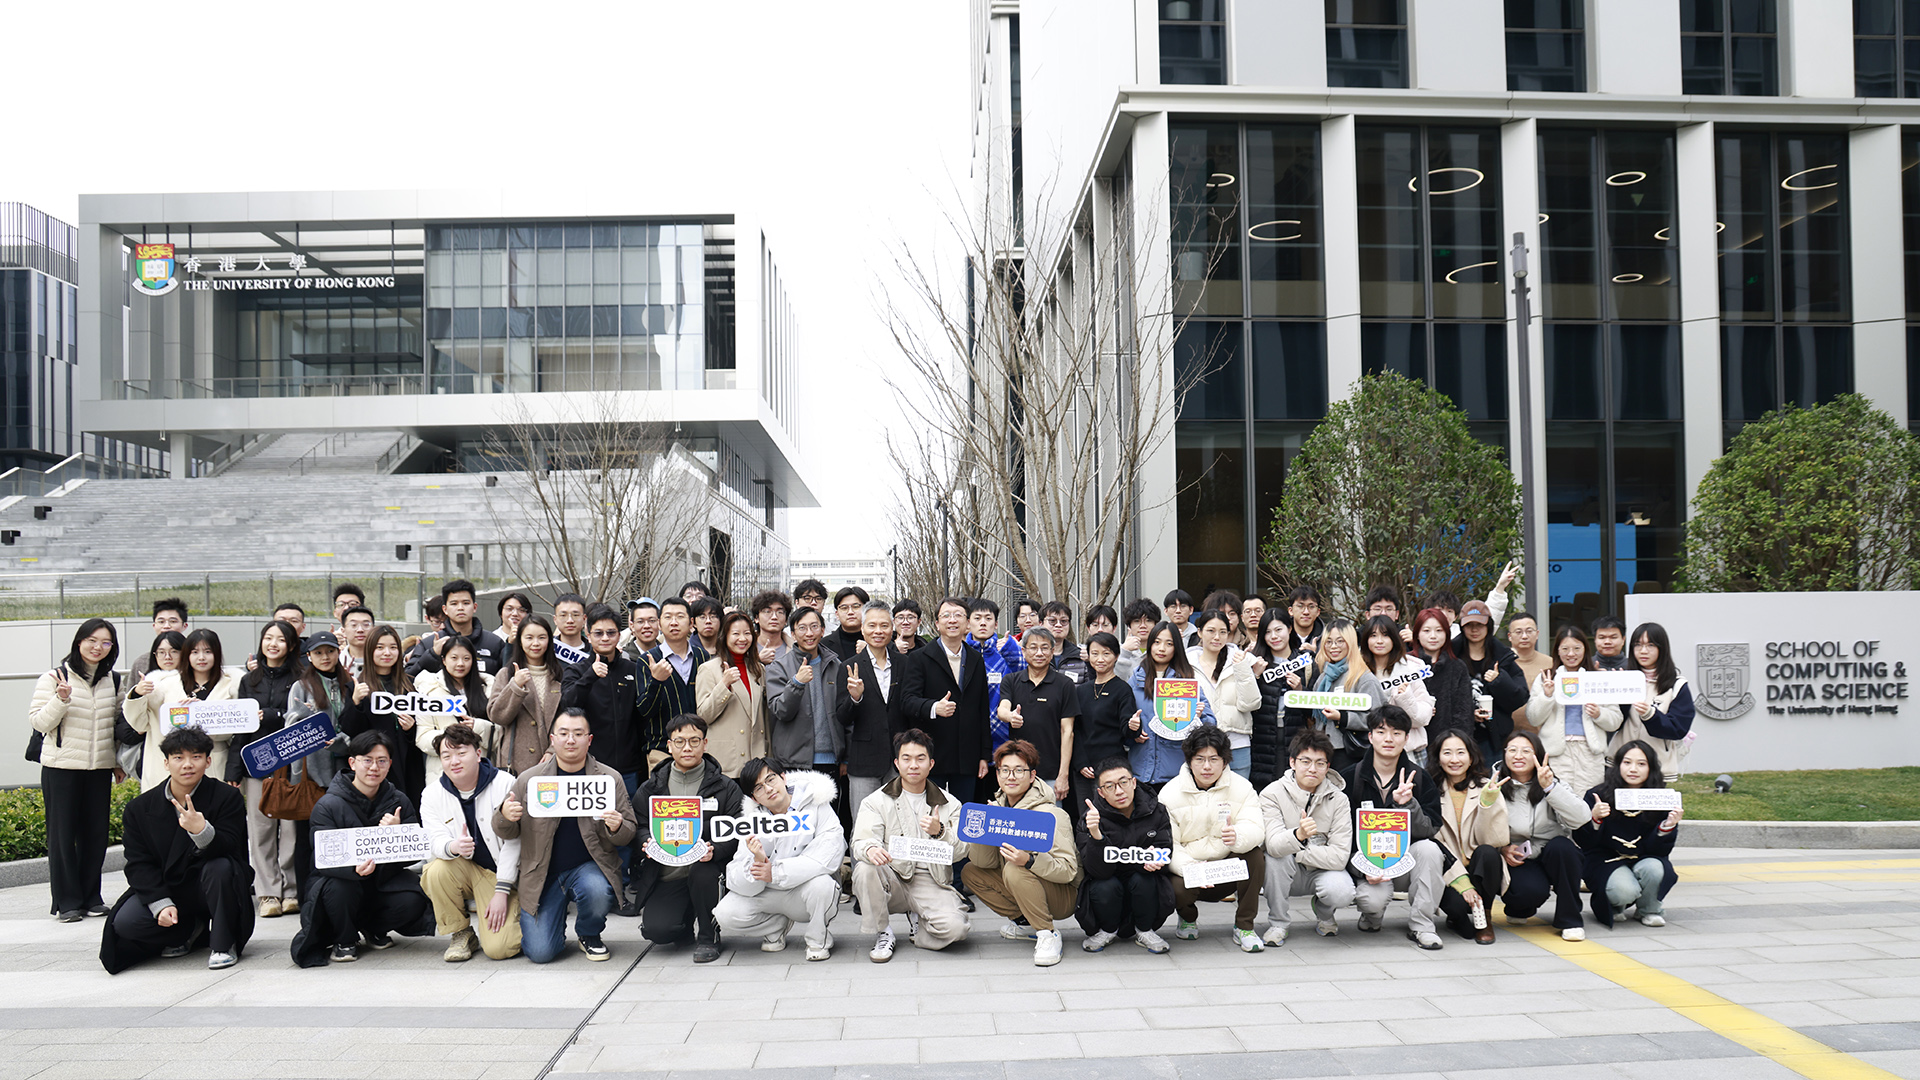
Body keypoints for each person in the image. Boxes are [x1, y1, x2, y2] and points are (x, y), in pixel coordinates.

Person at [99, 726, 254, 973]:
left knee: (221, 867)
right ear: (166, 763)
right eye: (178, 758)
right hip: (168, 886)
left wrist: (201, 831)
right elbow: (139, 864)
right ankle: (188, 931)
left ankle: (224, 944)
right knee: (126, 923)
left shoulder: (227, 797)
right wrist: (160, 903)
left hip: (211, 884)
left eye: (196, 757)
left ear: (208, 761)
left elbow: (233, 851)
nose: (187, 765)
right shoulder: (140, 808)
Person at [494, 709, 638, 963]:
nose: (570, 740)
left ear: (589, 739)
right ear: (552, 739)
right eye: (564, 733)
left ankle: (588, 933)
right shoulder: (530, 779)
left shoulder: (609, 778)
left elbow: (628, 834)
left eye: (578, 734)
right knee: (540, 953)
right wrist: (505, 815)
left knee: (597, 890)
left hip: (589, 868)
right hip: (542, 874)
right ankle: (551, 922)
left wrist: (616, 826)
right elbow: (503, 830)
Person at [290, 731, 436, 966]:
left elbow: (412, 855)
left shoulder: (399, 800)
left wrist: (397, 833)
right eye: (367, 760)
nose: (374, 767)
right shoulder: (328, 804)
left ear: (390, 764)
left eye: (381, 761)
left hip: (382, 882)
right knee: (339, 888)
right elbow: (322, 857)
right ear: (352, 762)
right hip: (342, 883)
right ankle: (344, 939)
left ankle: (374, 928)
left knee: (414, 898)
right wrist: (353, 869)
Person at [849, 729, 970, 962]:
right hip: (892, 876)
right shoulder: (875, 801)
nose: (913, 765)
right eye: (906, 758)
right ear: (896, 763)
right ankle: (883, 932)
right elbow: (862, 840)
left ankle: (920, 925)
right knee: (864, 869)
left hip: (930, 880)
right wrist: (871, 849)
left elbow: (962, 851)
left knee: (957, 931)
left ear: (931, 763)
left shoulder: (949, 803)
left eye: (920, 758)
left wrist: (941, 832)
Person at [631, 715, 743, 962]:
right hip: (669, 872)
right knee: (658, 931)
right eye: (679, 741)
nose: (687, 748)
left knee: (703, 873)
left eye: (694, 740)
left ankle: (708, 936)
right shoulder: (651, 788)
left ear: (705, 743)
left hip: (708, 870)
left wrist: (717, 850)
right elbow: (638, 825)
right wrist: (646, 842)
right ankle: (681, 925)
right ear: (669, 746)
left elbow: (738, 830)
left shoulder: (725, 787)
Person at [32, 619, 123, 922]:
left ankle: (91, 897)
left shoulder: (114, 680)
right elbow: (39, 723)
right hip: (62, 767)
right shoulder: (54, 677)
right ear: (79, 641)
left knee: (95, 835)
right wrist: (61, 699)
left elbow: (114, 726)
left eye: (106, 642)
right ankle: (67, 901)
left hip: (98, 768)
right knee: (62, 835)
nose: (98, 647)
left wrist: (115, 762)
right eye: (92, 640)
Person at [961, 739, 1081, 966]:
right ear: (997, 776)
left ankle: (1048, 933)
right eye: (1004, 770)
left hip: (1063, 894)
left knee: (1015, 869)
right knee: (971, 871)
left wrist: (1029, 860)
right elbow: (983, 863)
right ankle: (1026, 925)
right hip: (1025, 884)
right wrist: (986, 830)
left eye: (1019, 770)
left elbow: (1069, 871)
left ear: (1032, 775)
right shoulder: (997, 809)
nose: (1011, 776)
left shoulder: (1051, 814)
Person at [715, 759, 846, 961]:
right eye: (759, 788)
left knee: (824, 886)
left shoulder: (817, 805)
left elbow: (829, 854)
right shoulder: (752, 821)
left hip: (802, 892)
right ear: (754, 798)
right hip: (768, 894)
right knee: (725, 914)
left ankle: (817, 939)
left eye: (771, 779)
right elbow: (735, 874)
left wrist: (774, 873)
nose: (768, 789)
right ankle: (776, 927)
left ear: (783, 777)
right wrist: (757, 865)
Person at [1343, 705, 1447, 950]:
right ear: (1370, 736)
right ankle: (1371, 915)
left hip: (1405, 864)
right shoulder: (1351, 777)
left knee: (1430, 850)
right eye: (1381, 731)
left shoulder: (1420, 778)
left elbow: (1429, 830)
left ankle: (1422, 926)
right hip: (1367, 863)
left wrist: (1408, 804)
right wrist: (1360, 869)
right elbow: (1341, 834)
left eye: (1396, 733)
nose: (1388, 739)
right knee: (1371, 901)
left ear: (1407, 738)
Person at [420, 723, 522, 962]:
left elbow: (515, 841)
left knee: (500, 950)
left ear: (478, 754)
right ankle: (461, 933)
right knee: (435, 871)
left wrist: (502, 890)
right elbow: (434, 840)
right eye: (446, 755)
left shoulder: (505, 783)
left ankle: (523, 918)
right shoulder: (432, 793)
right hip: (464, 870)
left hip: (501, 876)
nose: (453, 760)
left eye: (461, 752)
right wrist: (452, 847)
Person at [1161, 724, 1267, 951]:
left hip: (1226, 868)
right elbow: (1169, 844)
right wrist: (1190, 868)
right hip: (1190, 870)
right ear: (1189, 760)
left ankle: (1245, 926)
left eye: (1214, 759)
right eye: (1199, 759)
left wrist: (1237, 835)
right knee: (1175, 888)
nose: (1207, 766)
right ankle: (1187, 917)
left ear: (1225, 761)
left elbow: (1256, 827)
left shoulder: (1242, 787)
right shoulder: (1169, 793)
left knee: (1255, 855)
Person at [233, 620, 304, 918]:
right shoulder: (249, 680)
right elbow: (240, 725)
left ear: (291, 645)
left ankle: (291, 890)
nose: (273, 644)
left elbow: (304, 716)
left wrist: (273, 715)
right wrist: (233, 771)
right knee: (260, 829)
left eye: (280, 639)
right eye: (268, 638)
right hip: (257, 763)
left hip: (291, 762)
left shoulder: (302, 678)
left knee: (290, 829)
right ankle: (267, 894)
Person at [1258, 729, 1355, 944]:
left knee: (1343, 893)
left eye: (1320, 763)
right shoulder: (1271, 794)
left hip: (1322, 871)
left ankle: (1324, 912)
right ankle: (1278, 923)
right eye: (1305, 761)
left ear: (1328, 767)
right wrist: (1299, 835)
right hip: (1286, 871)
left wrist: (1298, 850)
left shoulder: (1339, 799)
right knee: (1276, 859)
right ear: (1292, 762)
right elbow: (1273, 845)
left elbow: (1340, 857)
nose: (1313, 769)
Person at [1496, 730, 1592, 941]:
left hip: (1551, 853)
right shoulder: (1494, 785)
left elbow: (1582, 817)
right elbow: (1480, 828)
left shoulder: (1552, 782)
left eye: (1526, 751)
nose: (1518, 756)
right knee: (1526, 894)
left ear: (1538, 756)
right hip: (1518, 858)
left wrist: (1550, 788)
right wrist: (1501, 849)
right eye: (1512, 750)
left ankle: (1570, 920)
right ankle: (1520, 908)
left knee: (1564, 848)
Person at [1075, 757, 1176, 953]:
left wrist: (1156, 860)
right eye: (1110, 786)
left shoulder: (1157, 810)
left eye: (1123, 782)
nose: (1119, 791)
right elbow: (1096, 871)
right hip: (1108, 886)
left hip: (1143, 885)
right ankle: (1107, 930)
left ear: (1134, 782)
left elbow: (1165, 850)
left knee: (1145, 879)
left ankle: (1145, 930)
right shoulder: (1090, 817)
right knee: (1105, 885)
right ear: (1101, 793)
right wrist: (1096, 834)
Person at [1577, 739, 1681, 928]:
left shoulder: (1660, 797)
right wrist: (1594, 819)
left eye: (1641, 764)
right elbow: (1584, 842)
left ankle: (1649, 909)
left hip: (1645, 856)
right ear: (1617, 765)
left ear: (1651, 768)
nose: (1633, 769)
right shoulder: (1598, 794)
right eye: (1627, 762)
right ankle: (1615, 903)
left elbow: (1660, 851)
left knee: (1655, 868)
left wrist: (1667, 826)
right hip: (1605, 860)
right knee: (1624, 890)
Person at [898, 597, 992, 802]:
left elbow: (982, 708)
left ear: (968, 624)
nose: (952, 620)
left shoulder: (976, 659)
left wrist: (985, 755)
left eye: (958, 615)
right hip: (931, 753)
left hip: (967, 755)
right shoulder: (920, 658)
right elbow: (906, 701)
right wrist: (933, 707)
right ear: (937, 624)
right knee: (931, 813)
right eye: (946, 616)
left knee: (964, 815)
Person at [284, 631, 354, 907]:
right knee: (307, 840)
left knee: (342, 837)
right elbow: (291, 728)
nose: (325, 657)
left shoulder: (350, 683)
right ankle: (307, 899)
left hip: (345, 771)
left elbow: (356, 723)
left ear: (338, 653)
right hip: (312, 774)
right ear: (309, 656)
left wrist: (341, 742)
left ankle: (340, 897)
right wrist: (306, 717)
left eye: (330, 651)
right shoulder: (300, 686)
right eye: (318, 653)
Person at [125, 627, 237, 792]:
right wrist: (137, 694)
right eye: (194, 652)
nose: (201, 657)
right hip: (165, 770)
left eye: (207, 651)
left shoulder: (231, 685)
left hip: (213, 767)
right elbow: (139, 724)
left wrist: (200, 713)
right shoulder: (162, 685)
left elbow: (235, 730)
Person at [1427, 730, 1509, 944]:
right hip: (1449, 870)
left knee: (1488, 853)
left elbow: (1495, 840)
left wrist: (1487, 804)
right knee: (1457, 909)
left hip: (1479, 866)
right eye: (1447, 753)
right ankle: (1457, 917)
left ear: (1471, 756)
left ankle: (1486, 917)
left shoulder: (1487, 786)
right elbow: (1435, 843)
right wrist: (1462, 882)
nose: (1454, 760)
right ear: (1437, 757)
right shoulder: (1429, 790)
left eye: (1461, 752)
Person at [1523, 627, 1622, 796]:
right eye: (1565, 649)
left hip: (1590, 752)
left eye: (1577, 648)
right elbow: (1533, 718)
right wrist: (1547, 696)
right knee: (1559, 801)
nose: (1571, 654)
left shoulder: (1596, 678)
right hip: (1556, 753)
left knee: (1591, 799)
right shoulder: (1547, 677)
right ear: (1557, 651)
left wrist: (1599, 714)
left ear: (1585, 649)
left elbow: (1615, 720)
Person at [339, 625, 425, 805]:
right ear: (370, 650)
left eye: (393, 647)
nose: (387, 653)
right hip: (374, 766)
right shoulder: (358, 686)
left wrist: (411, 728)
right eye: (380, 647)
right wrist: (355, 702)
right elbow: (350, 730)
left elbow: (422, 727)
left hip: (407, 763)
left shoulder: (410, 685)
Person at [998, 628, 1081, 803]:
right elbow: (1002, 709)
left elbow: (1068, 732)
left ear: (1052, 652)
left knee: (1051, 824)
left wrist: (1063, 775)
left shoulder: (1064, 684)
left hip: (1052, 772)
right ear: (1023, 651)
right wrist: (1010, 716)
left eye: (1044, 648)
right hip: (1018, 771)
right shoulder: (1011, 681)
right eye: (1033, 647)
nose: (1039, 653)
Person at [838, 601, 906, 809]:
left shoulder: (905, 663)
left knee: (898, 824)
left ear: (892, 628)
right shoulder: (848, 666)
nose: (878, 631)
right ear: (862, 628)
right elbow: (841, 716)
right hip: (864, 762)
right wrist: (855, 698)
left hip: (899, 759)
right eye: (872, 625)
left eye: (884, 626)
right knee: (863, 825)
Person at [1128, 621, 1212, 789]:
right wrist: (1131, 728)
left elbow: (1211, 724)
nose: (1161, 648)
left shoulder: (1186, 681)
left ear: (1177, 648)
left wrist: (1198, 717)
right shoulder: (1136, 679)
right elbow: (1121, 722)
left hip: (1175, 773)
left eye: (1169, 644)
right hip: (1140, 771)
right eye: (1157, 642)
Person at [765, 605, 844, 775]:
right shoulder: (779, 667)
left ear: (823, 630)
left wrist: (846, 757)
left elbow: (845, 715)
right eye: (802, 628)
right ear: (793, 634)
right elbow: (780, 711)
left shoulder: (835, 665)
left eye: (814, 627)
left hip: (832, 760)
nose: (809, 633)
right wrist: (796, 683)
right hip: (794, 761)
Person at [636, 598, 711, 766]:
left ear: (691, 623)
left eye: (680, 617)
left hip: (699, 748)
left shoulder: (703, 657)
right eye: (668, 617)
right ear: (660, 624)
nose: (674, 622)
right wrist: (656, 681)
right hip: (662, 750)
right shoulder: (647, 661)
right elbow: (644, 711)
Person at [1188, 610, 1263, 779]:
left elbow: (1251, 704)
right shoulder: (1186, 665)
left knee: (1237, 798)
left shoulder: (1240, 660)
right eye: (1211, 631)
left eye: (1223, 632)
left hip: (1236, 743)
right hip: (1199, 744)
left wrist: (1242, 668)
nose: (1217, 637)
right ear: (1199, 632)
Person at [1451, 600, 1527, 763]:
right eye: (1469, 625)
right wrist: (1469, 714)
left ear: (1489, 625)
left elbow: (1520, 697)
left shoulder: (1502, 657)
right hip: (1457, 740)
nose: (1474, 629)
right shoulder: (1450, 656)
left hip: (1494, 741)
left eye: (1480, 624)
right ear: (1462, 627)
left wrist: (1499, 681)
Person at [414, 637, 496, 787]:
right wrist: (451, 738)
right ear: (444, 660)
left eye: (466, 658)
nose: (460, 663)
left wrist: (477, 726)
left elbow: (501, 734)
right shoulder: (429, 690)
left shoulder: (489, 688)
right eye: (454, 658)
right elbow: (422, 737)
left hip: (482, 772)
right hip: (442, 774)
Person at [1072, 632, 1136, 820]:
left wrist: (1134, 726)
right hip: (1083, 768)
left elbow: (1126, 729)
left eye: (1106, 653)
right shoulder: (1082, 690)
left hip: (1112, 767)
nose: (1100, 659)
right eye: (1095, 653)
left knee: (1112, 816)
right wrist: (1080, 762)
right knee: (1086, 816)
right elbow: (1075, 730)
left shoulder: (1122, 689)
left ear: (1116, 656)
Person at [1249, 608, 1315, 790]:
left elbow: (1315, 709)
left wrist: (1301, 691)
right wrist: (1254, 677)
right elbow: (1245, 703)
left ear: (1289, 629)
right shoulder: (1255, 662)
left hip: (1295, 737)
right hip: (1261, 739)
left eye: (1278, 630)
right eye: (1268, 632)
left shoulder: (1306, 662)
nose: (1274, 636)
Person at [1620, 623, 1695, 782]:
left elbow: (1678, 729)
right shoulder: (1623, 679)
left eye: (1651, 645)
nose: (1643, 651)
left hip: (1658, 765)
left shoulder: (1676, 685)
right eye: (1638, 645)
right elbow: (1614, 720)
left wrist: (1651, 715)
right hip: (1621, 763)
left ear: (1663, 648)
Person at [696, 610, 767, 774]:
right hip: (727, 762)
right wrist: (724, 685)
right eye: (736, 633)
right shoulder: (709, 669)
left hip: (756, 759)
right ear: (724, 636)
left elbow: (764, 717)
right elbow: (704, 715)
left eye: (747, 633)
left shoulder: (758, 669)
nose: (742, 639)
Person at [490, 614, 562, 776]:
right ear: (520, 640)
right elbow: (497, 716)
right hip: (516, 762)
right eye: (529, 637)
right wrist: (515, 686)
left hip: (552, 760)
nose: (535, 643)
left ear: (549, 641)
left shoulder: (560, 676)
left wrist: (553, 750)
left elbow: (567, 718)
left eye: (541, 637)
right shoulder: (506, 674)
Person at [1359, 614, 1435, 764]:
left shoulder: (1411, 668)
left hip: (1410, 750)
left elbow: (1423, 717)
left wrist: (1404, 698)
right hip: (1367, 750)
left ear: (1394, 639)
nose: (1379, 641)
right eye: (1373, 635)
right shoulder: (1356, 671)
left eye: (1385, 635)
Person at [1308, 619, 1381, 771]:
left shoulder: (1364, 678)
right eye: (1328, 642)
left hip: (1349, 752)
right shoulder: (1323, 678)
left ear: (1351, 643)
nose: (1333, 646)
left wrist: (1342, 717)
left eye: (1340, 641)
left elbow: (1377, 719)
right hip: (1321, 751)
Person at [409, 579, 507, 678]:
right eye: (454, 604)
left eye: (466, 603)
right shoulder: (429, 644)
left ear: (475, 607)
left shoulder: (495, 643)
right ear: (445, 609)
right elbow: (408, 678)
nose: (460, 608)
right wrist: (433, 654)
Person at [966, 598, 1024, 748]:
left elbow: (1023, 672)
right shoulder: (961, 653)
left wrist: (1011, 650)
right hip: (970, 736)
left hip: (1005, 736)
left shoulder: (1007, 649)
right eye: (977, 618)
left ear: (996, 624)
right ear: (968, 622)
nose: (983, 623)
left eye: (988, 618)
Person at [1411, 608, 1477, 739]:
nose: (1433, 636)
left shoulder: (1458, 667)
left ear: (1447, 634)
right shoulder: (1406, 663)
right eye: (1426, 631)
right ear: (1417, 634)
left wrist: (1455, 743)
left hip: (1447, 744)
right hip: (1411, 742)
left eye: (1439, 630)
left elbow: (1463, 714)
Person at [1506, 612, 1552, 731]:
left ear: (1537, 634)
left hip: (1542, 735)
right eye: (1519, 632)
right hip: (1506, 735)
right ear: (1509, 636)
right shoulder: (1500, 664)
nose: (1524, 636)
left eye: (1529, 631)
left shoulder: (1550, 664)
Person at [1115, 598, 1162, 682]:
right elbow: (1116, 681)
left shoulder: (1162, 650)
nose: (1143, 626)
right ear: (1129, 626)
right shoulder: (1118, 651)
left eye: (1148, 620)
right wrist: (1125, 652)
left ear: (1156, 624)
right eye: (1137, 621)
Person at [1041, 602, 1089, 683]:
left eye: (1063, 621)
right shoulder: (1034, 656)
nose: (1058, 625)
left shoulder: (1080, 656)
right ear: (1041, 623)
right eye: (1052, 621)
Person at [825, 586, 869, 661]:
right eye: (844, 608)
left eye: (856, 606)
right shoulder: (824, 645)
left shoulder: (882, 641)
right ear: (837, 614)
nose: (850, 612)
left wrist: (871, 652)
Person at [549, 592, 593, 669]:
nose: (570, 620)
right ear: (555, 620)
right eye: (563, 615)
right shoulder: (547, 649)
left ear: (584, 619)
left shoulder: (595, 651)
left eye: (575, 615)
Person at [750, 590, 793, 662]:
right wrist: (758, 661)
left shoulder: (794, 650)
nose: (774, 617)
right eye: (767, 611)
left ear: (786, 620)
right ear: (756, 618)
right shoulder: (746, 647)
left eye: (780, 612)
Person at [1285, 586, 1325, 654]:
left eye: (1311, 606)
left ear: (1318, 612)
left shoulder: (1327, 637)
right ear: (1291, 610)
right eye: (1300, 606)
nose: (1306, 612)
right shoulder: (1281, 637)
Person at [339, 605, 375, 676]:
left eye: (366, 624)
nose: (360, 630)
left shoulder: (384, 659)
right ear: (343, 631)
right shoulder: (337, 662)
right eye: (354, 625)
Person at [690, 596, 725, 660]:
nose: (708, 621)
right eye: (702, 617)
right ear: (693, 623)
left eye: (713, 616)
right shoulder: (688, 651)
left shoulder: (728, 650)